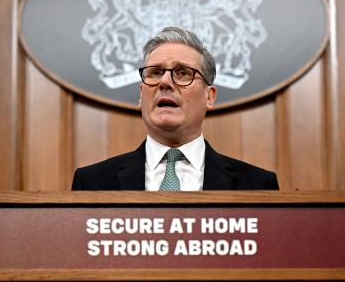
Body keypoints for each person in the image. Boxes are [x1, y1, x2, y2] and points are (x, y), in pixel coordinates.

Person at [72, 26, 279, 191]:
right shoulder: (91, 183)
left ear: (209, 96)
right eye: (154, 72)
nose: (165, 81)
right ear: (140, 95)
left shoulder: (258, 185)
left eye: (182, 73)